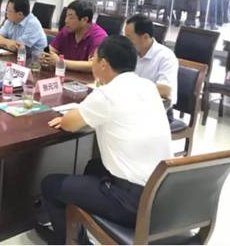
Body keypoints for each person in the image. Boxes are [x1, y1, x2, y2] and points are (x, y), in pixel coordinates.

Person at [38, 36, 172, 244]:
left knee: (50, 185)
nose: (92, 62)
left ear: (103, 64)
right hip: (163, 194)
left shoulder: (107, 94)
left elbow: (69, 124)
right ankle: (76, 229)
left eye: (94, 59)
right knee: (94, 166)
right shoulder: (148, 86)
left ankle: (64, 241)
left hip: (130, 202)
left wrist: (69, 117)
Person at [124, 14, 178, 122]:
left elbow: (165, 90)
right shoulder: (130, 52)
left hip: (159, 112)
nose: (126, 42)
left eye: (129, 38)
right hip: (130, 104)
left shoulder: (165, 56)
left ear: (145, 37)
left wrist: (132, 87)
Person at [40, 0, 107, 73]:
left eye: (71, 18)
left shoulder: (98, 36)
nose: (66, 21)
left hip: (85, 78)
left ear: (84, 20)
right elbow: (50, 49)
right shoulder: (66, 30)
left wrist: (61, 62)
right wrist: (44, 55)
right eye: (66, 16)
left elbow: (94, 65)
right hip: (64, 75)